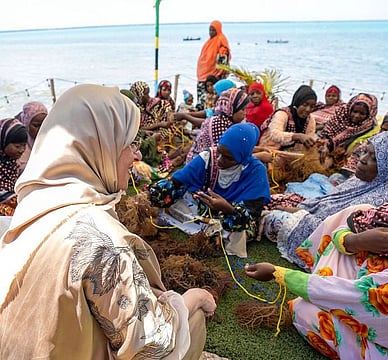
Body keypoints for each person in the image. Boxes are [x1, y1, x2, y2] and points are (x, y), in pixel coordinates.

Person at [0, 84, 216, 359]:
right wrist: (193, 298)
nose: (136, 155)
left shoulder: (35, 203)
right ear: (100, 146)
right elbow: (152, 345)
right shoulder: (99, 237)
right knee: (191, 317)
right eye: (128, 144)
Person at [246, 136, 388, 359]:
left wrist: (279, 274)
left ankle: (325, 296)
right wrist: (358, 241)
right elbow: (344, 228)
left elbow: (363, 298)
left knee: (303, 310)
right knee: (354, 221)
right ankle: (327, 288)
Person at [261, 131, 388, 268]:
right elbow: (325, 202)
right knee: (274, 199)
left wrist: (296, 212)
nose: (362, 159)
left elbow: (333, 226)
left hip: (330, 235)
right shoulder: (361, 181)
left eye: (374, 159)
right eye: (365, 152)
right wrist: (298, 208)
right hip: (320, 218)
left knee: (273, 218)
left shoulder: (386, 199)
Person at [148, 122, 271, 258]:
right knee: (172, 200)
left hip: (232, 218)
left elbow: (251, 216)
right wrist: (153, 194)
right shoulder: (208, 158)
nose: (219, 160)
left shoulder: (255, 171)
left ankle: (210, 232)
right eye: (219, 152)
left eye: (228, 158)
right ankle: (211, 232)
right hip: (203, 210)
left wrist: (228, 209)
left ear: (243, 156)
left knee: (239, 232)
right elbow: (177, 182)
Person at [185, 87, 249, 164]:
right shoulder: (218, 123)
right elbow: (229, 152)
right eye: (242, 110)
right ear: (231, 108)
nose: (245, 113)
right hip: (201, 166)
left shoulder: (228, 122)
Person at [196, 21, 231, 106]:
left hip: (215, 75)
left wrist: (220, 74)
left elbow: (223, 61)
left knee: (214, 100)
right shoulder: (209, 42)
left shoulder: (221, 40)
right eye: (210, 30)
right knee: (202, 100)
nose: (211, 32)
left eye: (213, 30)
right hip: (203, 74)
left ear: (218, 30)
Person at [0, 118, 27, 216]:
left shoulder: (12, 164)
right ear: (3, 141)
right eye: (17, 146)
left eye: (24, 146)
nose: (21, 150)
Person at [16, 101, 48, 172]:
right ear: (27, 124)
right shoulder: (18, 144)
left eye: (44, 124)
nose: (41, 129)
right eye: (36, 125)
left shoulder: (51, 139)